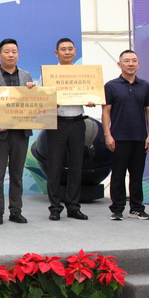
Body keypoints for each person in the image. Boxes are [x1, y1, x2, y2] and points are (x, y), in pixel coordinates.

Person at [0, 38, 36, 225]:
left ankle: (16, 210)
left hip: (21, 132)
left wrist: (33, 91)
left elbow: (33, 103)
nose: (11, 55)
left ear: (18, 55)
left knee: (17, 174)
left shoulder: (27, 76)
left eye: (14, 51)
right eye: (7, 52)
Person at [102, 50, 149, 221]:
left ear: (138, 64)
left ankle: (137, 208)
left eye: (134, 60)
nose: (130, 64)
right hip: (118, 138)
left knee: (137, 175)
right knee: (118, 175)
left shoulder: (145, 86)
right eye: (126, 61)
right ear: (119, 64)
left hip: (140, 138)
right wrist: (107, 135)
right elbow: (106, 112)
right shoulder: (111, 86)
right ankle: (117, 209)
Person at [46, 37, 91, 221]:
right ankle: (55, 207)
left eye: (70, 49)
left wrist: (92, 98)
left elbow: (92, 92)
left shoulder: (85, 74)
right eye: (63, 49)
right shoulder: (48, 74)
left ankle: (73, 206)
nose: (67, 52)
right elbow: (41, 100)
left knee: (76, 166)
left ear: (75, 52)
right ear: (56, 53)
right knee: (54, 167)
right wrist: (51, 102)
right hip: (57, 123)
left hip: (78, 123)